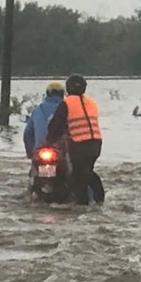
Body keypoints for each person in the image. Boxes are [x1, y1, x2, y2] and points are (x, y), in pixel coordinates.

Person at [46, 74, 105, 205]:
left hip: (80, 144)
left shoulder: (66, 103)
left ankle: (82, 204)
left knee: (77, 176)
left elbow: (56, 125)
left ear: (68, 89)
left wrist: (49, 141)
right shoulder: (91, 103)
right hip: (96, 144)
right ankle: (98, 200)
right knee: (86, 172)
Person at [23, 81, 65, 159]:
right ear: (62, 94)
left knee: (34, 168)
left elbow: (27, 133)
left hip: (40, 149)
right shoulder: (67, 109)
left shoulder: (38, 109)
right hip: (61, 150)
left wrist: (30, 153)